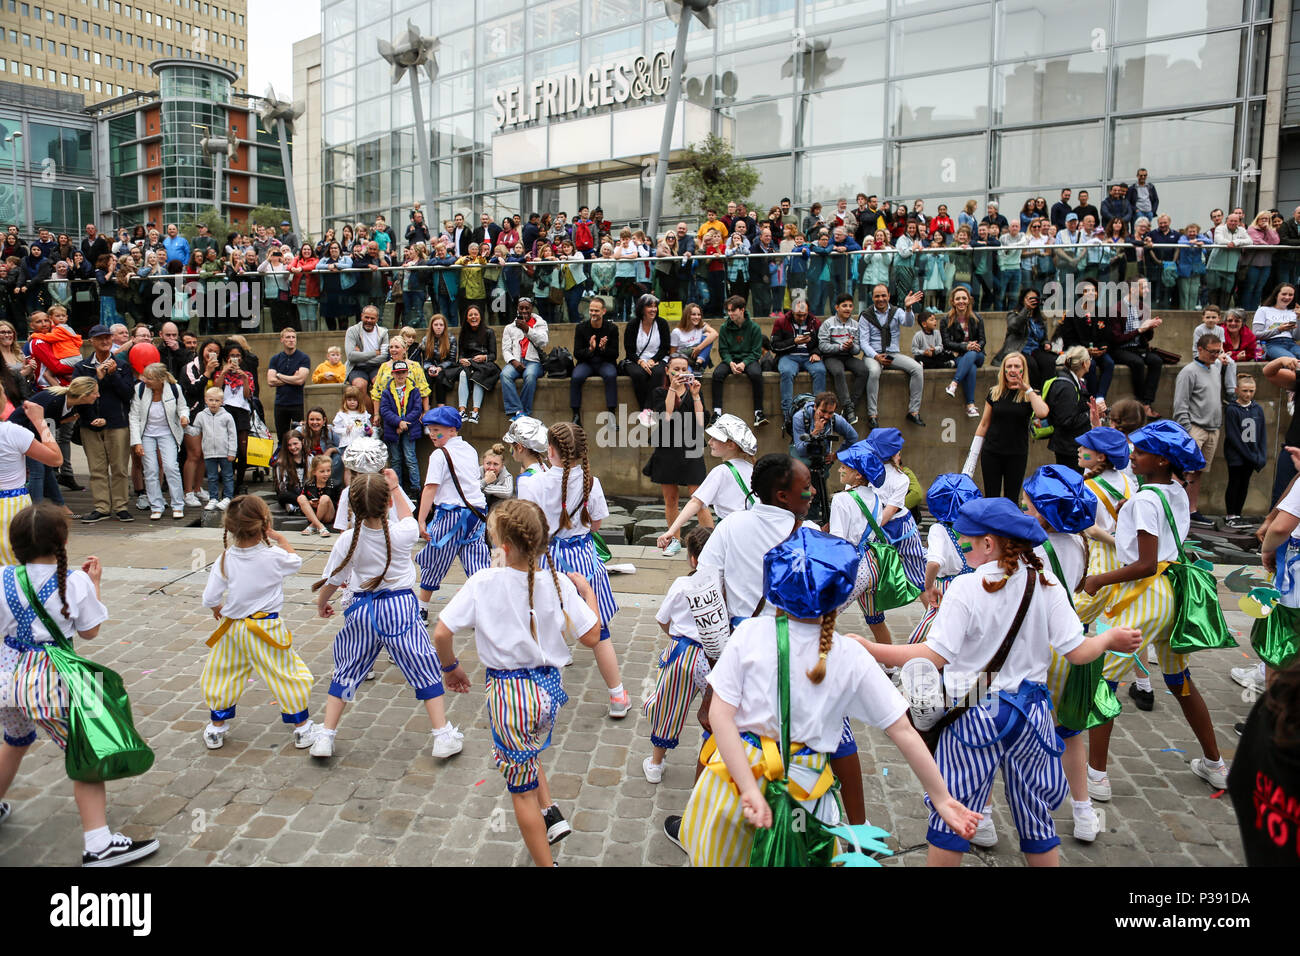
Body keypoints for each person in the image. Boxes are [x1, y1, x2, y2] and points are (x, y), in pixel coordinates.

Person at [679, 527, 981, 866]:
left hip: (731, 787)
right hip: (806, 794)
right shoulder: (851, 655)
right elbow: (903, 731)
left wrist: (749, 788)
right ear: (841, 595)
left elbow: (720, 717)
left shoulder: (748, 634)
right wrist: (942, 799)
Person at [863, 497, 1141, 866]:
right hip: (1034, 715)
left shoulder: (964, 588)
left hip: (975, 713)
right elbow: (1077, 652)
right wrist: (1109, 639)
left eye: (967, 543)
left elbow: (932, 656)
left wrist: (869, 648)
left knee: (953, 818)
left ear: (989, 544)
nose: (963, 549)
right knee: (1038, 825)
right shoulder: (1047, 583)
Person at [434, 497, 601, 863]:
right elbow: (591, 636)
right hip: (547, 694)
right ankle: (551, 813)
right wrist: (587, 592)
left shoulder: (483, 582)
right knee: (527, 748)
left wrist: (451, 669)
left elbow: (442, 633)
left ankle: (546, 862)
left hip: (510, 696)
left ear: (504, 546)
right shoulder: (558, 583)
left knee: (520, 790)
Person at [0, 503, 160, 866]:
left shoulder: (2, 578)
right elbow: (90, 631)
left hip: (7, 678)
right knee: (86, 751)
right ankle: (98, 843)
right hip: (49, 679)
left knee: (15, 741)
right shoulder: (75, 581)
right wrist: (95, 584)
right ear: (63, 541)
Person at [1081, 421, 1230, 800]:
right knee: (1180, 680)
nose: (1133, 455)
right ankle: (1215, 764)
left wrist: (1100, 580)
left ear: (1162, 460)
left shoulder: (1145, 499)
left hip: (1142, 595)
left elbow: (1146, 563)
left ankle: (1096, 775)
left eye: (1141, 452)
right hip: (1171, 595)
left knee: (1104, 682)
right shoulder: (1174, 490)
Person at [311, 470, 465, 761]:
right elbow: (409, 516)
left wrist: (322, 603)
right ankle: (442, 734)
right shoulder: (402, 533)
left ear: (353, 507)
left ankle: (326, 736)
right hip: (400, 609)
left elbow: (333, 580)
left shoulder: (346, 540)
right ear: (388, 505)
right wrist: (395, 487)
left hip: (361, 610)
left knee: (347, 667)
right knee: (423, 664)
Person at [518, 422, 630, 718]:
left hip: (548, 560)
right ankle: (618, 695)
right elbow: (596, 524)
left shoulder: (535, 483)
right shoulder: (592, 481)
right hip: (583, 557)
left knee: (541, 627)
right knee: (599, 630)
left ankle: (538, 699)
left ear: (550, 450)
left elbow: (530, 527)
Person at [1022, 465, 1107, 843]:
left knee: (1006, 731)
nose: (1023, 511)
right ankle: (1084, 811)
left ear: (1043, 511)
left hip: (1037, 648)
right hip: (1073, 642)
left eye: (1027, 506)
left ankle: (989, 813)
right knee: (1071, 733)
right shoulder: (1080, 542)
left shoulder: (1031, 547)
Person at [199, 495, 317, 750]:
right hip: (267, 629)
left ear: (229, 527)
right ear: (265, 524)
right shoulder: (274, 555)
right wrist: (283, 539)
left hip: (232, 628)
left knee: (223, 673)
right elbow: (295, 563)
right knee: (286, 674)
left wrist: (217, 609)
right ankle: (302, 728)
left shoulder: (225, 558)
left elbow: (209, 597)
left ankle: (216, 728)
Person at [642, 525, 716, 783]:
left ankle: (655, 763)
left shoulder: (682, 584)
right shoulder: (724, 585)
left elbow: (663, 619)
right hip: (713, 656)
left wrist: (674, 635)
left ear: (693, 558)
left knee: (668, 708)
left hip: (682, 653)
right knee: (717, 713)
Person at [413, 407, 491, 615]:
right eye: (430, 430)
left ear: (452, 430)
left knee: (436, 558)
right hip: (477, 514)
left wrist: (421, 520)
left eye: (436, 429)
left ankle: (422, 608)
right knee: (477, 561)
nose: (431, 434)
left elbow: (430, 487)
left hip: (452, 514)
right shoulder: (470, 449)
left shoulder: (439, 454)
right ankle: (484, 611)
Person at [826, 439, 896, 648]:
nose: (840, 469)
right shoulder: (876, 498)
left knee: (823, 615)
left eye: (845, 467)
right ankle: (890, 667)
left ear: (858, 475)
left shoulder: (841, 499)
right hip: (874, 566)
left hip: (855, 568)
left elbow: (838, 542)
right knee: (875, 620)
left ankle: (822, 662)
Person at [655, 413, 756, 553]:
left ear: (731, 445)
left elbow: (695, 503)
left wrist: (671, 531)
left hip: (729, 533)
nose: (709, 442)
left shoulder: (721, 471)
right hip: (752, 533)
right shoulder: (753, 469)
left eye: (715, 438)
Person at [644, 355, 710, 557]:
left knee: (699, 498)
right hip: (668, 448)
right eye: (676, 369)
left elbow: (701, 422)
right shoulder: (659, 392)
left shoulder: (694, 390)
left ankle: (711, 542)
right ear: (667, 370)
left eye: (684, 368)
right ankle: (674, 540)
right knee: (670, 498)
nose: (680, 372)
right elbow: (666, 415)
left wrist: (696, 395)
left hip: (691, 446)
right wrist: (673, 388)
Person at [907, 473, 982, 646]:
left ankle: (912, 665)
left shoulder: (938, 530)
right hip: (971, 584)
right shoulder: (974, 529)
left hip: (945, 587)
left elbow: (934, 562)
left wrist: (928, 586)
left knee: (923, 634)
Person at [963, 352, 1050, 502]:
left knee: (1012, 497)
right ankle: (992, 525)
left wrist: (1027, 388)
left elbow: (1043, 412)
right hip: (992, 452)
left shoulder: (1030, 394)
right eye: (1009, 366)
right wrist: (972, 457)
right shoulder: (994, 392)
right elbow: (984, 424)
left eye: (1017, 366)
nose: (1013, 370)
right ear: (1003, 370)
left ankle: (1008, 526)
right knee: (991, 497)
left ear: (1023, 369)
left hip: (1017, 454)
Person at [73, 324, 135, 523]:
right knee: (97, 469)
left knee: (119, 468)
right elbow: (77, 395)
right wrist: (96, 378)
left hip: (117, 424)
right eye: (100, 338)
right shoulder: (82, 367)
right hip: (90, 425)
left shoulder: (123, 366)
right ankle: (101, 507)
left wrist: (113, 374)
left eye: (108, 337)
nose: (105, 341)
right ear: (91, 341)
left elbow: (128, 394)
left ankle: (121, 507)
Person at [1173, 334, 1226, 522]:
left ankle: (1191, 509)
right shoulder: (1189, 372)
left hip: (1213, 428)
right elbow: (1180, 404)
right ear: (1200, 349)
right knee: (1184, 470)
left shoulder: (1216, 367)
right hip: (1195, 428)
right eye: (1211, 352)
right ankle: (1176, 510)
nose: (1215, 355)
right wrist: (1187, 430)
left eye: (1217, 352)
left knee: (1199, 471)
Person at [859, 284, 927, 428]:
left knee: (917, 368)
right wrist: (876, 356)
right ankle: (872, 415)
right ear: (872, 298)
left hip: (892, 354)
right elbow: (863, 342)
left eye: (884, 295)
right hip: (872, 355)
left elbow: (908, 323)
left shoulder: (898, 311)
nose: (881, 299)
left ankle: (913, 412)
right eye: (877, 296)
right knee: (874, 371)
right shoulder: (866, 315)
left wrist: (908, 308)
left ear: (889, 296)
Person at [129, 363, 188, 521]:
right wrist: (137, 442)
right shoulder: (140, 389)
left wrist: (184, 417)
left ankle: (178, 504)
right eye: (144, 377)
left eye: (149, 378)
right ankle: (156, 505)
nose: (145, 381)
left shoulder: (175, 389)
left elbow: (183, 407)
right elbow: (134, 416)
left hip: (167, 433)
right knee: (150, 470)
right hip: (146, 434)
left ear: (161, 379)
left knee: (171, 467)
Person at [710, 296, 768, 428]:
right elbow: (723, 350)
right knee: (717, 374)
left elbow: (756, 352)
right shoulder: (725, 327)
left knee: (756, 374)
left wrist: (744, 363)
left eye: (733, 311)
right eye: (728, 311)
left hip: (749, 360)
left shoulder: (754, 328)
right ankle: (716, 412)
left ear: (742, 310)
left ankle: (759, 413)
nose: (730, 314)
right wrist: (730, 363)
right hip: (731, 359)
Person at [772, 300, 825, 431]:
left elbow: (822, 343)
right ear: (792, 312)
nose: (801, 318)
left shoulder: (815, 322)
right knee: (786, 372)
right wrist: (794, 341)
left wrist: (816, 352)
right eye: (798, 315)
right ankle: (787, 414)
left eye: (804, 315)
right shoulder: (781, 322)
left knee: (820, 371)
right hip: (789, 356)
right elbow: (774, 346)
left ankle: (819, 411)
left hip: (809, 357)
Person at [1042, 346, 1097, 470]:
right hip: (1068, 449)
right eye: (1090, 359)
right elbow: (1066, 420)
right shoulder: (1066, 387)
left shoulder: (1077, 381)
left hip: (1073, 445)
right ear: (1084, 363)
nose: (1091, 362)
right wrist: (1091, 413)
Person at [1223, 374, 1267, 524]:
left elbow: (1262, 434)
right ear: (1237, 390)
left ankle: (1238, 514)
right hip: (1237, 456)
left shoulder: (1257, 409)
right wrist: (1249, 455)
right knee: (1234, 482)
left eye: (1251, 391)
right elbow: (1233, 436)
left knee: (1244, 484)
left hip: (1251, 455)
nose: (1248, 394)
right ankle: (1230, 515)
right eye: (1245, 390)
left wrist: (1260, 455)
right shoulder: (1232, 409)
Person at [818, 293, 868, 425]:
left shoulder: (856, 325)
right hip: (832, 357)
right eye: (844, 306)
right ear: (836, 307)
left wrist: (851, 347)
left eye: (850, 306)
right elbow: (822, 346)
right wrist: (839, 347)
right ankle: (847, 406)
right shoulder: (828, 323)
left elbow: (858, 349)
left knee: (863, 370)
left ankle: (850, 406)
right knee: (838, 372)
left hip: (848, 356)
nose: (847, 309)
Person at [570, 294, 619, 428]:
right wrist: (591, 349)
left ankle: (611, 415)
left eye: (596, 310)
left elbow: (615, 354)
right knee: (576, 377)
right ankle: (576, 415)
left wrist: (603, 349)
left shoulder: (612, 328)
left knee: (611, 375)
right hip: (586, 362)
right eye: (591, 310)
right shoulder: (581, 328)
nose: (593, 313)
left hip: (605, 362)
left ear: (603, 311)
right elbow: (577, 353)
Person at [622, 293, 671, 423]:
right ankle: (646, 409)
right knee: (638, 374)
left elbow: (665, 347)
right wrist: (641, 362)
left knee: (658, 373)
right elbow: (629, 349)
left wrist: (653, 360)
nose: (653, 309)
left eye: (655, 306)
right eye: (650, 306)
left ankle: (647, 409)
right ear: (642, 308)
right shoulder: (633, 324)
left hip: (657, 358)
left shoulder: (662, 323)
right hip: (636, 359)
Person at [378, 360, 423, 496]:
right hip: (393, 429)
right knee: (396, 460)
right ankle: (398, 488)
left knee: (410, 458)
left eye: (403, 372)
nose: (400, 375)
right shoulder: (387, 392)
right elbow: (384, 411)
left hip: (409, 429)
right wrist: (398, 422)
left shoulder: (414, 390)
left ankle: (416, 489)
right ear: (393, 374)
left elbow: (417, 409)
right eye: (397, 373)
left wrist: (404, 424)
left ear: (407, 373)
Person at [940, 288, 986, 418]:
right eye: (958, 299)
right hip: (959, 357)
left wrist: (974, 346)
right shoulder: (945, 320)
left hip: (978, 355)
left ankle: (954, 384)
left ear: (969, 300)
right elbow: (946, 343)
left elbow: (983, 340)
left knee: (971, 355)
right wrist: (965, 346)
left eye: (964, 298)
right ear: (953, 302)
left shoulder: (977, 318)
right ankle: (970, 406)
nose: (961, 301)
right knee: (970, 367)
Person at [500, 298, 548, 421]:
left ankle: (524, 412)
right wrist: (514, 361)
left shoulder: (540, 323)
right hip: (516, 360)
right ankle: (517, 410)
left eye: (527, 308)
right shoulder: (509, 327)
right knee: (505, 374)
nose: (524, 311)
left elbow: (543, 342)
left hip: (533, 361)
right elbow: (505, 349)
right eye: (521, 308)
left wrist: (527, 329)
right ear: (517, 308)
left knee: (530, 376)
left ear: (531, 308)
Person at [193, 386, 237, 512]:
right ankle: (213, 498)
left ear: (222, 402)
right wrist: (185, 427)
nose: (213, 403)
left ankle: (228, 497)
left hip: (225, 452)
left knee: (227, 475)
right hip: (209, 452)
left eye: (217, 400)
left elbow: (232, 435)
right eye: (211, 400)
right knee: (212, 477)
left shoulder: (227, 416)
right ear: (206, 400)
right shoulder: (201, 415)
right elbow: (196, 430)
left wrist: (232, 452)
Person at [266, 327, 311, 441]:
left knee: (300, 436)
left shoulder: (304, 358)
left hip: (298, 403)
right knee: (282, 437)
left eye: (293, 337)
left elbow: (300, 380)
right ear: (282, 340)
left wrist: (280, 375)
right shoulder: (275, 359)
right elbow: (270, 381)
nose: (291, 340)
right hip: (280, 403)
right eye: (288, 337)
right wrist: (293, 378)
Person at [344, 306, 390, 407]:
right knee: (359, 386)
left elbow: (384, 356)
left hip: (377, 367)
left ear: (377, 319)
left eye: (372, 318)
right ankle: (372, 417)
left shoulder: (383, 333)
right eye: (366, 317)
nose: (369, 321)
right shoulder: (352, 331)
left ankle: (380, 416)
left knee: (382, 384)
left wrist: (360, 357)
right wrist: (374, 353)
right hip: (356, 368)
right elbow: (351, 356)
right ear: (361, 316)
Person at [1254, 283, 1300, 361]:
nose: (1287, 297)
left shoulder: (1292, 312)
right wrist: (1279, 330)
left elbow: (1296, 337)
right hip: (1270, 344)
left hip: (1291, 343)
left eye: (1290, 295)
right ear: (1276, 295)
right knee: (1291, 360)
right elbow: (1256, 335)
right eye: (1284, 294)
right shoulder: (1263, 310)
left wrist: (1299, 319)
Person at [296, 455, 339, 536]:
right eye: (322, 471)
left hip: (329, 514)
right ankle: (319, 526)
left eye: (328, 471)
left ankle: (313, 526)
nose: (326, 474)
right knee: (301, 498)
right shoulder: (309, 484)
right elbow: (304, 504)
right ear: (314, 472)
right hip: (313, 514)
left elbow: (338, 504)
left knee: (325, 498)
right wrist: (310, 503)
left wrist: (321, 503)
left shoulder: (335, 484)